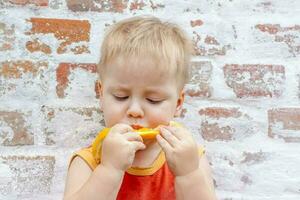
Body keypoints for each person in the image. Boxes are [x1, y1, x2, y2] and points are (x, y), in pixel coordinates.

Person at [63, 16, 216, 200]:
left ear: (178, 103)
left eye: (153, 100)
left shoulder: (191, 160)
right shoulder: (88, 162)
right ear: (101, 94)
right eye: (121, 96)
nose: (134, 110)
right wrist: (109, 170)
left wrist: (188, 175)